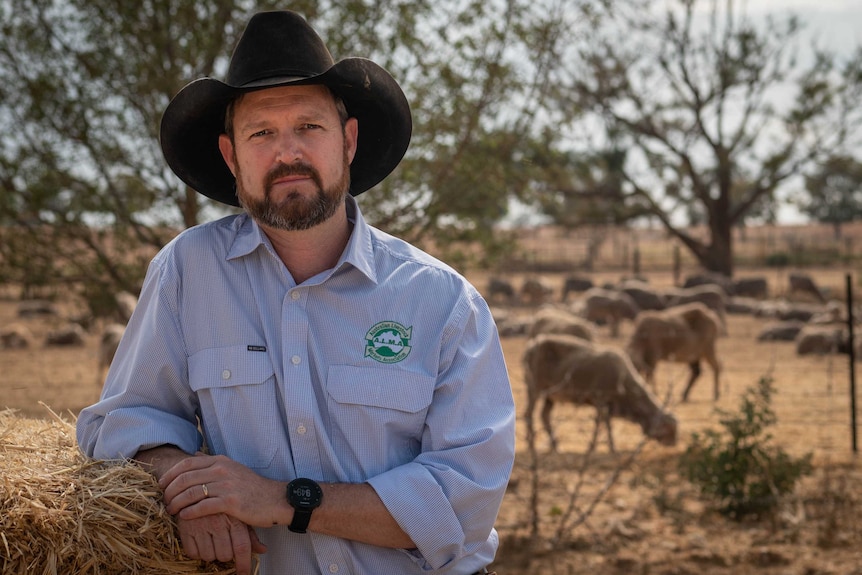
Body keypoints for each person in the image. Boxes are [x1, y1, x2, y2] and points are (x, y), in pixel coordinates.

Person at [76, 10, 515, 575]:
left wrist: (282, 499)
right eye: (261, 133)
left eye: (309, 127)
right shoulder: (188, 273)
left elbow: (463, 501)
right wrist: (187, 487)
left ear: (348, 141)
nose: (288, 154)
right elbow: (126, 423)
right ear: (232, 156)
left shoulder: (442, 301)